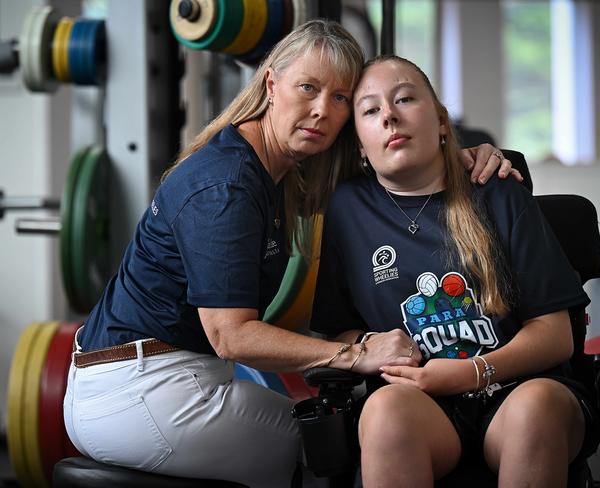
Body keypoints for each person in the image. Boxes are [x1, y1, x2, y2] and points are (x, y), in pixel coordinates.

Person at [63, 21, 514, 487]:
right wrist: (355, 351)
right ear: (271, 84)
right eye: (308, 87)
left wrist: (458, 156)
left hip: (151, 381)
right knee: (335, 445)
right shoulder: (228, 185)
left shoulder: (273, 170)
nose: (322, 109)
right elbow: (231, 337)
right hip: (142, 392)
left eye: (340, 98)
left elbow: (394, 171)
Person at [310, 55, 600, 488]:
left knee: (536, 408)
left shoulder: (497, 190)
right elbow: (337, 333)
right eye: (370, 110)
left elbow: (556, 334)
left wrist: (473, 372)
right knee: (384, 411)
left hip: (518, 388)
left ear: (441, 121)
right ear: (359, 144)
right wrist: (370, 344)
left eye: (405, 98)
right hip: (418, 403)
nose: (389, 115)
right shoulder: (345, 211)